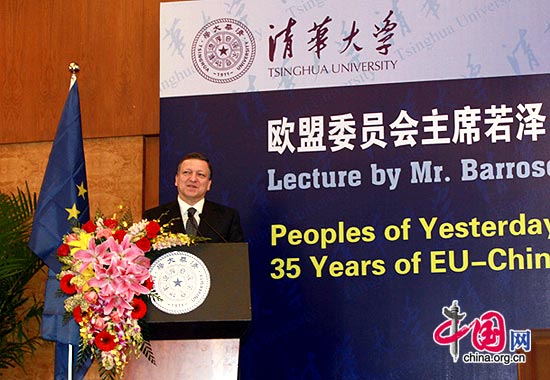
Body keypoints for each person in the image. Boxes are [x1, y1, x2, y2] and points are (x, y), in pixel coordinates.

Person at [143, 152, 244, 242]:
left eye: (200, 175)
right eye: (187, 172)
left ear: (209, 184)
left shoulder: (227, 217)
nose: (193, 179)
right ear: (176, 180)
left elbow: (236, 258)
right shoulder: (154, 217)